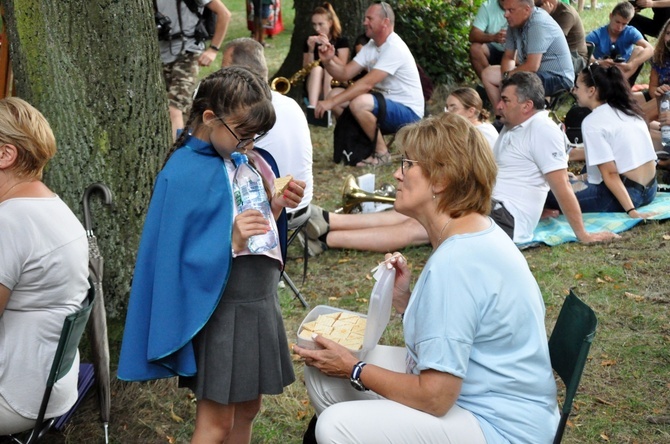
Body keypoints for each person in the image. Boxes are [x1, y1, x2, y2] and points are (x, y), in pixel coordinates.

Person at [293, 112, 560, 444]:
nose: (396, 173)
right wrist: (407, 302)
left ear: (441, 180)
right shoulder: (473, 234)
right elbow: (463, 334)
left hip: (500, 427)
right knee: (323, 373)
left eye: (407, 164)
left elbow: (435, 397)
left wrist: (353, 368)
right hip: (484, 400)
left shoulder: (457, 263)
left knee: (336, 426)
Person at [117, 67, 305, 443]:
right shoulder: (182, 172)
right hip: (223, 311)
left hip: (259, 301)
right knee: (216, 422)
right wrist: (229, 241)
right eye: (244, 133)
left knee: (249, 409)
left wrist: (277, 205)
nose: (250, 143)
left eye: (257, 136)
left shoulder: (245, 157)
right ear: (209, 118)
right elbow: (176, 256)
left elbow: (257, 224)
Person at [0, 98, 89, 435]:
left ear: (5, 155)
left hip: (13, 396)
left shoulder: (10, 221)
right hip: (49, 385)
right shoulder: (50, 205)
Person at [493, 72, 618, 244]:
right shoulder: (511, 126)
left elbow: (562, 185)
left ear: (526, 106)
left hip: (505, 219)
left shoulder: (542, 129)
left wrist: (583, 234)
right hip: (492, 209)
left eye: (505, 100)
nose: (498, 105)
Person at [314, 2, 424, 167]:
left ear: (385, 22)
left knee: (358, 102)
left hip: (408, 112)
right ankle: (354, 146)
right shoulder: (372, 46)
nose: (364, 22)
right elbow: (345, 73)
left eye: (369, 18)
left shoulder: (394, 48)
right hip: (382, 105)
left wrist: (330, 104)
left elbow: (366, 84)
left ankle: (382, 153)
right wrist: (329, 61)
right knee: (335, 94)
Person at [222, 37, 314, 227]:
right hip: (302, 207)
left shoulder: (244, 114)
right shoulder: (290, 103)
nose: (220, 77)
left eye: (224, 70)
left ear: (238, 74)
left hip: (275, 214)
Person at [546, 64, 657, 215]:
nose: (574, 91)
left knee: (546, 192)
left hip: (628, 196)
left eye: (577, 87)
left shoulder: (593, 122)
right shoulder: (629, 109)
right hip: (650, 191)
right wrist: (581, 177)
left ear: (591, 90)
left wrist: (631, 211)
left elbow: (610, 174)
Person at [155, 0, 231, 140]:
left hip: (187, 53)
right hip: (160, 56)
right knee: (178, 111)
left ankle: (176, 157)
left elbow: (224, 14)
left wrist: (213, 49)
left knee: (174, 108)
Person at [481, 0, 574, 108]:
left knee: (518, 85)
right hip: (534, 74)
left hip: (558, 77)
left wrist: (507, 77)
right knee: (488, 74)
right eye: (505, 10)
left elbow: (532, 66)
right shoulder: (514, 23)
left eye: (510, 10)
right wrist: (505, 78)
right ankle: (501, 116)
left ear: (526, 10)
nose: (505, 15)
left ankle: (520, 118)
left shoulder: (538, 22)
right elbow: (509, 57)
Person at [586, 2, 654, 85]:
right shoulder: (597, 34)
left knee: (639, 50)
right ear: (611, 16)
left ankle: (620, 84)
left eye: (624, 24)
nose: (620, 27)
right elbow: (583, 53)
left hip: (624, 72)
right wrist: (599, 62)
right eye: (617, 22)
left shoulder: (630, 31)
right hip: (601, 71)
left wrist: (631, 64)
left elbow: (650, 49)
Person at [303, 2, 350, 107]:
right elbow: (306, 69)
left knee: (328, 69)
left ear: (330, 23)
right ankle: (313, 108)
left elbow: (343, 66)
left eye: (320, 24)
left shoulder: (341, 41)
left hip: (334, 82)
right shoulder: (310, 40)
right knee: (317, 69)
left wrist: (329, 49)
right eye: (314, 24)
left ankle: (326, 108)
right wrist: (310, 49)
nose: (317, 29)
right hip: (313, 84)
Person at [535, 0, 588, 75]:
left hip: (575, 58)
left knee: (534, 65)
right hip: (557, 54)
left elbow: (550, 42)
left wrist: (543, 16)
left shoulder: (566, 13)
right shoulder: (537, 8)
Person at [469, 0, 508, 80]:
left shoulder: (522, 5)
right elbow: (473, 35)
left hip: (515, 52)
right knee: (475, 49)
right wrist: (493, 37)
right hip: (494, 49)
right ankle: (489, 83)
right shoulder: (488, 6)